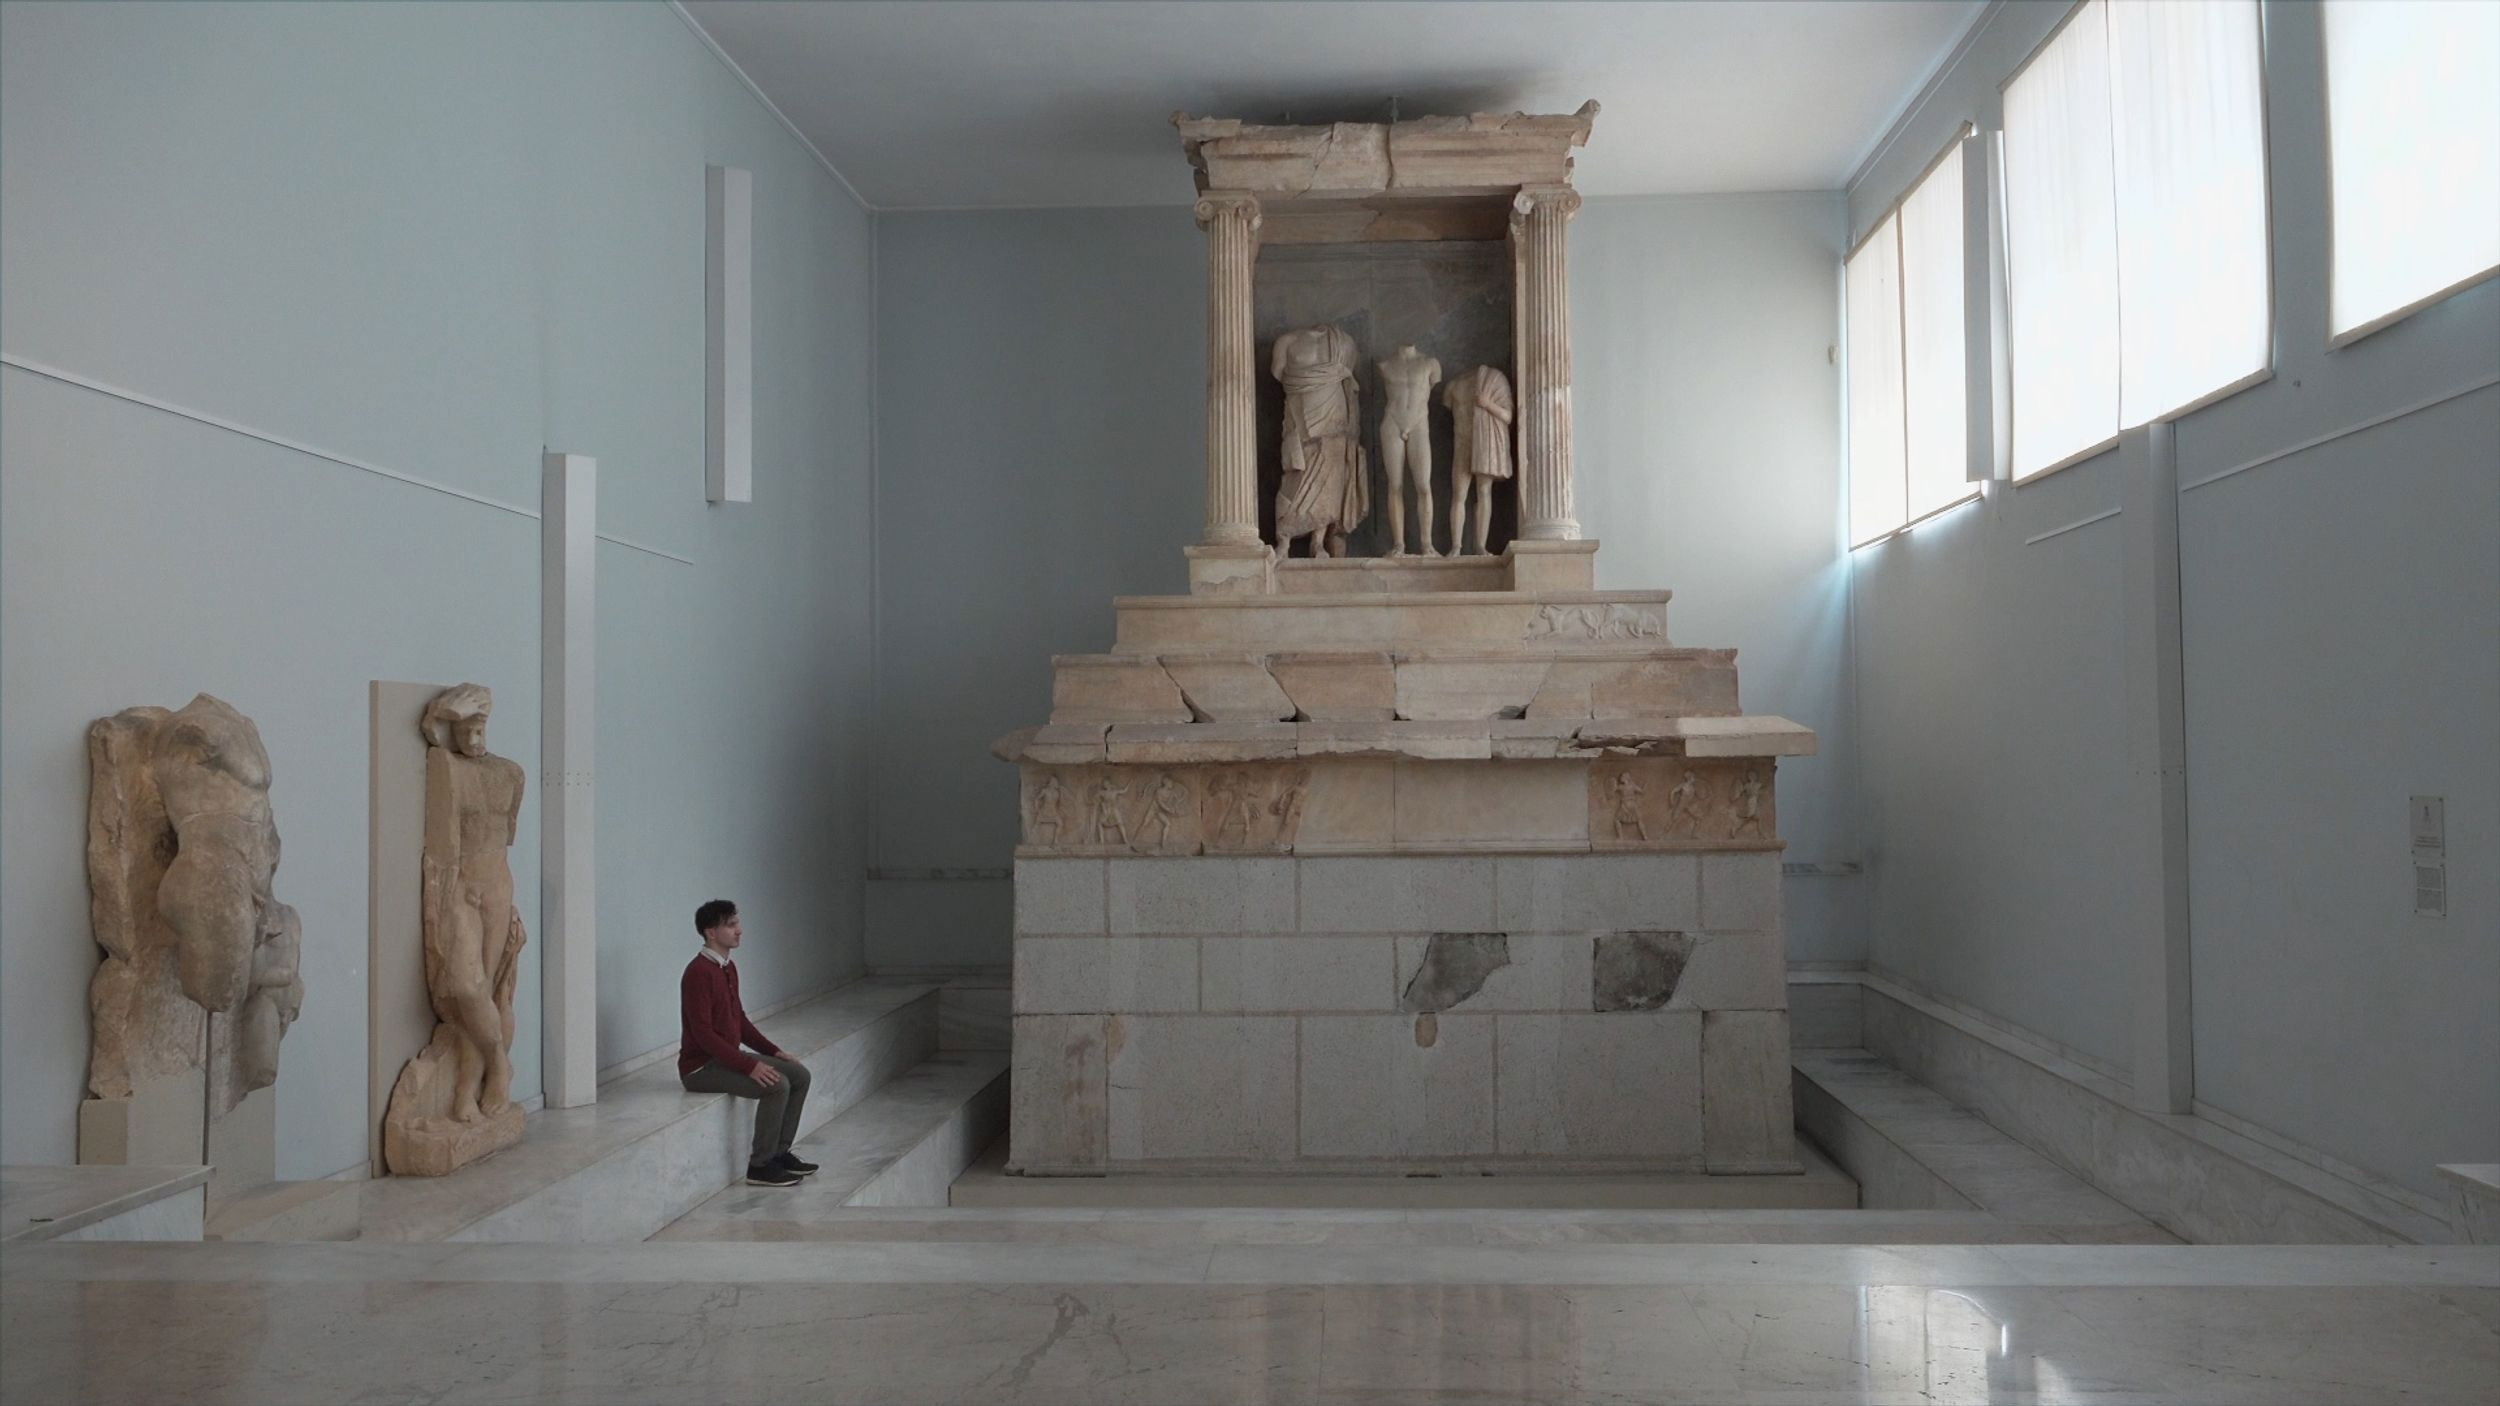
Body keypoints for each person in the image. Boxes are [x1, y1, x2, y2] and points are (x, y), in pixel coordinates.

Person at [680, 900, 817, 1186]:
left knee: (799, 1075)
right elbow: (703, 1034)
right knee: (776, 1085)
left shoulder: (728, 967)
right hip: (701, 1068)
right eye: (731, 925)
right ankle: (760, 1166)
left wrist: (774, 1051)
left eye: (737, 923)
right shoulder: (698, 973)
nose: (739, 930)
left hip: (724, 1058)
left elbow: (739, 1021)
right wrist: (749, 1066)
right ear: (711, 932)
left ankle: (779, 1153)